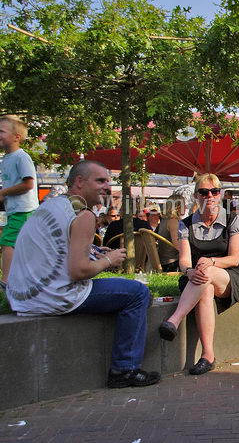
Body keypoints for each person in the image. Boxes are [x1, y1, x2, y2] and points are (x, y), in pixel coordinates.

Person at [6, 160, 160, 388]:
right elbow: (79, 271)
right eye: (100, 180)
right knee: (137, 293)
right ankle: (124, 369)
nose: (107, 186)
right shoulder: (84, 215)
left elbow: (56, 249)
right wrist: (109, 260)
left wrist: (94, 251)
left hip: (22, 298)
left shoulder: (51, 205)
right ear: (79, 181)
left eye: (108, 181)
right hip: (54, 297)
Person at [158, 174, 239, 376]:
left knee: (206, 272)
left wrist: (211, 262)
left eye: (214, 191)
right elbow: (184, 260)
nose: (210, 196)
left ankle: (174, 320)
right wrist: (189, 271)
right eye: (204, 192)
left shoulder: (233, 219)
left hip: (227, 276)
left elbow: (234, 259)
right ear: (196, 196)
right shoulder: (185, 224)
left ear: (220, 194)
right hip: (197, 278)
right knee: (205, 287)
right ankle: (208, 355)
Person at [0, 115, 39, 284]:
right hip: (15, 209)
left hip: (24, 209)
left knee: (7, 242)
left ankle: (6, 282)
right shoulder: (7, 159)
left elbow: (28, 184)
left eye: (1, 131)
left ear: (16, 137)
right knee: (21, 245)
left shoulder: (21, 157)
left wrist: (4, 192)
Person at [156, 195, 184, 272]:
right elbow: (177, 244)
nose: (185, 207)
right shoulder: (173, 221)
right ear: (178, 207)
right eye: (184, 205)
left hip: (164, 259)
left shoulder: (164, 220)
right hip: (172, 262)